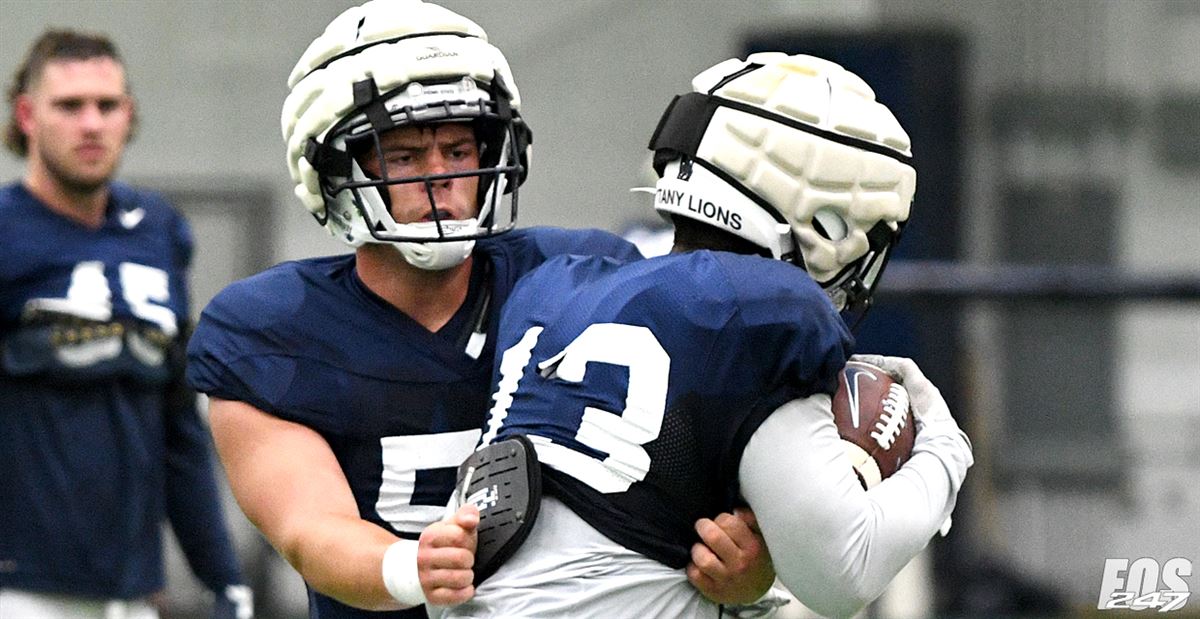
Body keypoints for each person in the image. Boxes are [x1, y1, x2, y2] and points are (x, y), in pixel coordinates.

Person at [185, 2, 774, 618]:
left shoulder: (576, 276)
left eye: (459, 148)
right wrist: (411, 567)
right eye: (404, 156)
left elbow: (697, 457)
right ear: (333, 170)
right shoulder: (270, 330)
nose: (439, 175)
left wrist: (745, 564)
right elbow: (313, 531)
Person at [423, 52, 975, 619]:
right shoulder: (757, 316)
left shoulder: (559, 282)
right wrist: (947, 450)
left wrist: (747, 588)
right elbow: (845, 569)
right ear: (820, 212)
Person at [0, 29, 252, 619]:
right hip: (18, 587)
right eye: (70, 105)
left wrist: (221, 575)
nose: (92, 123)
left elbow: (177, 425)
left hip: (133, 592)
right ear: (27, 115)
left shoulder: (158, 231)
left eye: (107, 105)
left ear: (129, 115)